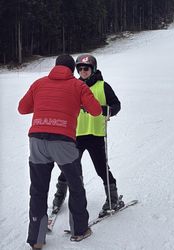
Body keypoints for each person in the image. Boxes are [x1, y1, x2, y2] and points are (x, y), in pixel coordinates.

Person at [18, 54, 102, 249]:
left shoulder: (39, 83)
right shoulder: (78, 85)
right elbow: (96, 110)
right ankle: (79, 230)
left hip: (37, 139)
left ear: (55, 67)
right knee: (75, 185)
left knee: (38, 190)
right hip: (63, 141)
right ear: (73, 69)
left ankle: (37, 240)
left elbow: (22, 108)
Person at [52, 54, 122, 216]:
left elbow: (116, 105)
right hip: (75, 135)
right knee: (68, 168)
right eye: (80, 69)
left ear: (93, 69)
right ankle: (59, 196)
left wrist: (104, 110)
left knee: (101, 168)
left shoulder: (103, 86)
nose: (83, 71)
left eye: (86, 68)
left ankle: (113, 198)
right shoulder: (74, 85)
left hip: (96, 135)